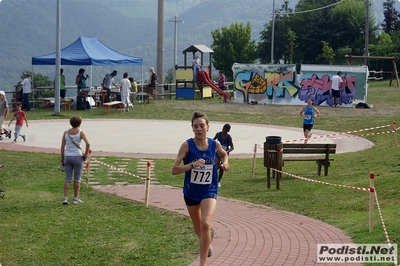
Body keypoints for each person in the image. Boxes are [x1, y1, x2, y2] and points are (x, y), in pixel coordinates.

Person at [171, 111, 230, 266]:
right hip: (191, 192)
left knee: (205, 224)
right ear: (192, 128)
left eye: (202, 126)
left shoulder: (214, 144)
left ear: (208, 127)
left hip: (209, 190)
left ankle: (202, 264)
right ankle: (206, 243)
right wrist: (191, 165)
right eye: (195, 126)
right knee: (198, 229)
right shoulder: (187, 145)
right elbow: (174, 170)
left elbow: (224, 154)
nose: (199, 129)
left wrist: (225, 163)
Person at [61, 115, 90, 205]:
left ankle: (65, 198)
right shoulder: (81, 132)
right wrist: (85, 155)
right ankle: (75, 198)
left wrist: (62, 158)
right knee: (77, 178)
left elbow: (62, 146)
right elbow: (88, 143)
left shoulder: (66, 132)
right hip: (77, 157)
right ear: (80, 123)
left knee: (68, 178)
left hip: (68, 156)